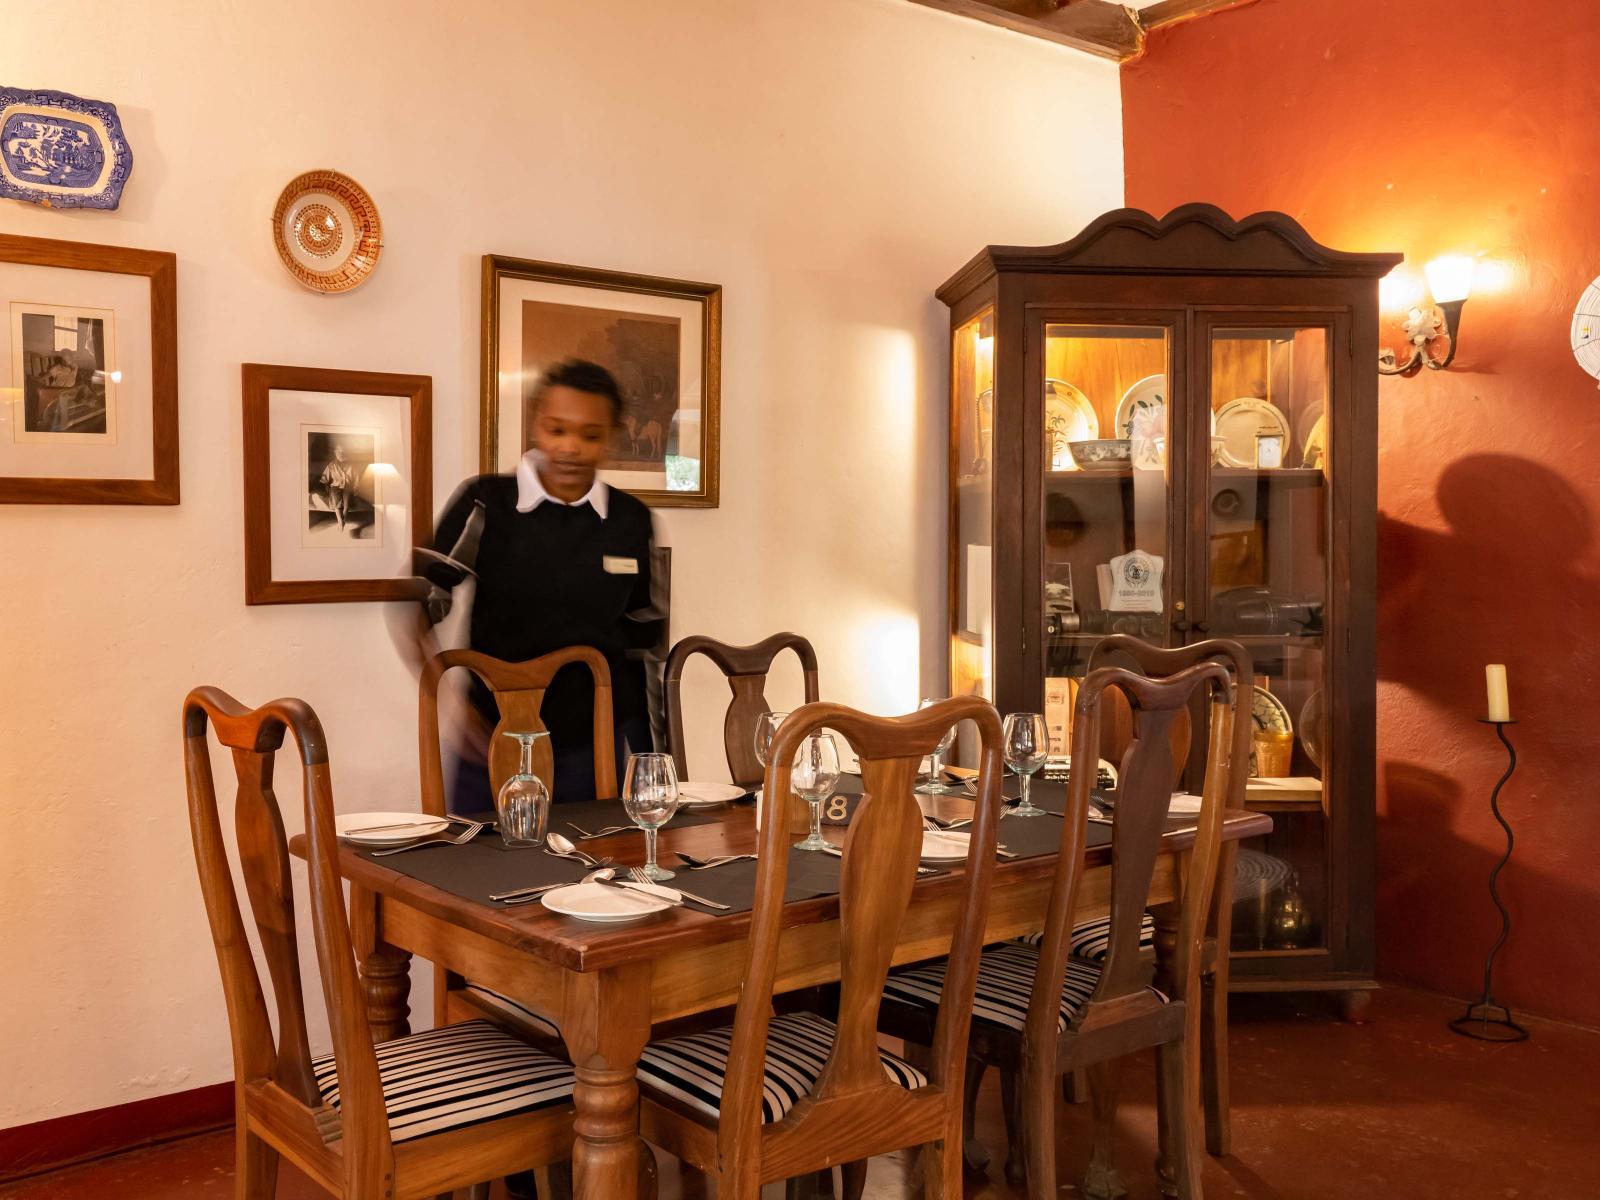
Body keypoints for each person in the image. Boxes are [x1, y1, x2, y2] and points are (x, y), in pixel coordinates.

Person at [422, 359, 658, 809]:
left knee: (596, 855)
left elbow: (644, 647)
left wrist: (651, 759)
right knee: (481, 856)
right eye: (557, 430)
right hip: (493, 742)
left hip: (594, 750)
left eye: (590, 435)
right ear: (536, 424)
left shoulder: (631, 520)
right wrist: (451, 702)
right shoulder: (485, 504)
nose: (571, 447)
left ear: (611, 438)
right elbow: (417, 601)